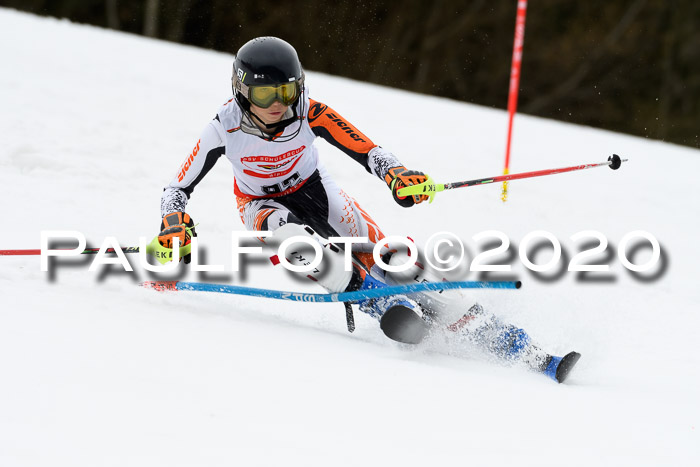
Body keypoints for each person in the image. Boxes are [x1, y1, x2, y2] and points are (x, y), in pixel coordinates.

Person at [156, 37, 580, 383]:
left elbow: (366, 149)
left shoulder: (309, 112)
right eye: (266, 93)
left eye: (287, 91)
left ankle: (518, 346)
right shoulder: (222, 127)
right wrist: (173, 224)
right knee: (297, 245)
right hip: (261, 204)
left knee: (399, 262)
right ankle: (381, 304)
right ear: (242, 89)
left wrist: (397, 175)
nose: (278, 104)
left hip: (315, 189)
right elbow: (177, 187)